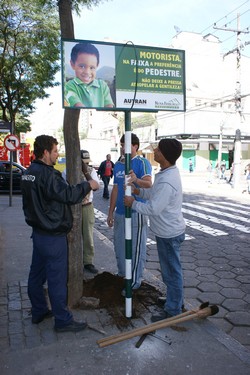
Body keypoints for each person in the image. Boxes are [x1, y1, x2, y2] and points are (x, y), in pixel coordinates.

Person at [21, 135, 99, 333]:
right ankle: (63, 320)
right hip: (52, 237)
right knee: (56, 279)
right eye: (55, 151)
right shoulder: (48, 175)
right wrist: (88, 185)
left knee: (36, 275)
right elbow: (69, 195)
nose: (57, 155)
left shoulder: (28, 172)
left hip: (38, 234)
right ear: (46, 152)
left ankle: (39, 311)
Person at [124, 139, 186, 322]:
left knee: (171, 272)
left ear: (165, 155)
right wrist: (138, 192)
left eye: (158, 149)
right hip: (166, 231)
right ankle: (175, 300)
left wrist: (133, 203)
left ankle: (173, 310)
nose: (155, 151)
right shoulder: (166, 173)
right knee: (170, 271)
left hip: (169, 233)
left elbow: (154, 208)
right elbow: (153, 194)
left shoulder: (168, 180)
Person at [107, 133, 152, 292]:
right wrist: (110, 212)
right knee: (119, 247)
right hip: (120, 213)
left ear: (135, 146)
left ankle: (134, 282)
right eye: (121, 144)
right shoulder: (119, 164)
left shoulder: (142, 162)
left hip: (136, 213)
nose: (122, 148)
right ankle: (122, 276)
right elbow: (116, 189)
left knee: (135, 250)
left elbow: (148, 184)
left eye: (126, 144)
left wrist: (135, 181)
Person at [64, 42, 114, 108]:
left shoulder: (103, 86)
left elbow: (109, 107)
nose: (87, 72)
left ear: (97, 66)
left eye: (92, 68)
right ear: (72, 64)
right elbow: (78, 105)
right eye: (82, 66)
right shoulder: (69, 86)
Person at [80, 150, 100, 274]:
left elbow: (96, 186)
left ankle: (88, 261)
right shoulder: (68, 171)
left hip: (87, 206)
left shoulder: (91, 171)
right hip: (73, 207)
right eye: (84, 163)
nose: (86, 165)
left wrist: (85, 172)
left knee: (88, 236)